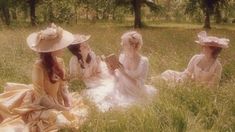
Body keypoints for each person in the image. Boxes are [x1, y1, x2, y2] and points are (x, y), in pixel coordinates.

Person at [0, 24, 87, 131]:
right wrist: (61, 108)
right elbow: (41, 97)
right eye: (60, 46)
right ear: (52, 50)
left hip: (56, 100)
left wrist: (68, 103)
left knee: (73, 113)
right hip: (40, 104)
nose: (63, 48)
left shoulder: (60, 61)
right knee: (59, 119)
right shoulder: (39, 66)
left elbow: (63, 87)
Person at [104, 31, 157, 110]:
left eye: (124, 43)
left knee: (127, 106)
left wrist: (125, 73)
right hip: (121, 88)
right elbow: (119, 79)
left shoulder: (143, 61)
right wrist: (112, 72)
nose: (121, 44)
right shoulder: (122, 57)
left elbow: (140, 84)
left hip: (135, 91)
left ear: (133, 45)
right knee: (108, 101)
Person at [160, 31, 229, 86]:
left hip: (199, 90)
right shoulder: (196, 58)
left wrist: (196, 90)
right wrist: (181, 82)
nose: (203, 48)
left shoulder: (217, 66)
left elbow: (213, 86)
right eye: (203, 46)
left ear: (213, 50)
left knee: (170, 83)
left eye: (205, 46)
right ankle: (153, 80)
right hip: (188, 82)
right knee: (168, 74)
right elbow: (187, 74)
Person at [68, 34, 115, 112]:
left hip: (94, 80)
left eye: (86, 43)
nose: (87, 46)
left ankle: (111, 105)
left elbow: (98, 72)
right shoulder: (74, 60)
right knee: (94, 95)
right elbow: (75, 78)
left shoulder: (92, 55)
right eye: (84, 46)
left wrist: (99, 63)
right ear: (78, 50)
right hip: (84, 83)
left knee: (107, 86)